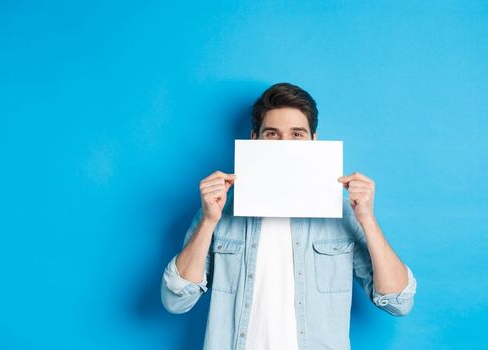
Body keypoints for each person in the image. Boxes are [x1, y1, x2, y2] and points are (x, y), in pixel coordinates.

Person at [160, 82, 416, 350]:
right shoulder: (219, 210)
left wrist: (368, 220)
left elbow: (400, 301)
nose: (284, 145)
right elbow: (175, 301)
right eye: (272, 134)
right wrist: (208, 221)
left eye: (297, 134)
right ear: (254, 139)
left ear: (314, 141)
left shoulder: (343, 212)